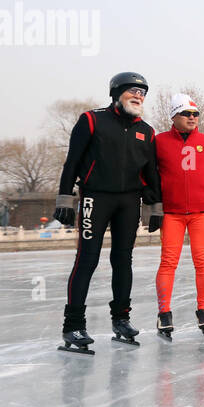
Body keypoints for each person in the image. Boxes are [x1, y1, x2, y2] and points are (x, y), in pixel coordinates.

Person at [53, 72, 161, 352]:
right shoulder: (92, 120)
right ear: (116, 93)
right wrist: (65, 198)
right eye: (132, 91)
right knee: (87, 260)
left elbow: (151, 173)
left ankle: (121, 320)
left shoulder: (147, 131)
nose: (138, 96)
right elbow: (72, 161)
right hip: (95, 198)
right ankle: (73, 326)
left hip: (128, 202)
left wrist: (155, 206)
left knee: (123, 261)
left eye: (142, 93)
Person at [153, 93, 204, 338]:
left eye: (195, 114)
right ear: (174, 116)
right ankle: (164, 313)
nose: (192, 118)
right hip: (171, 214)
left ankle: (203, 308)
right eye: (187, 114)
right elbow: (148, 175)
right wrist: (152, 206)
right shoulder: (159, 142)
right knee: (168, 262)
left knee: (202, 261)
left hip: (201, 213)